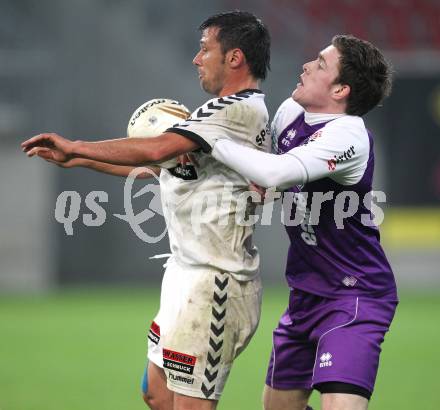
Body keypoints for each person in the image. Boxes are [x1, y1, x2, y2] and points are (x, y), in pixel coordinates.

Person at [22, 11, 271, 410]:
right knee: (156, 394)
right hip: (183, 277)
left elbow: (156, 149)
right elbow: (158, 167)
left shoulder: (239, 110)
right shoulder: (219, 114)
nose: (196, 58)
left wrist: (77, 145)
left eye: (205, 49)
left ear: (234, 58)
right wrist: (79, 161)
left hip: (215, 284)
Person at [211, 35, 398, 410]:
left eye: (320, 63)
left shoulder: (349, 136)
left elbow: (279, 172)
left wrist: (210, 139)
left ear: (341, 89)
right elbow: (269, 176)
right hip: (306, 293)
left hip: (354, 294)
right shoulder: (290, 113)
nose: (306, 66)